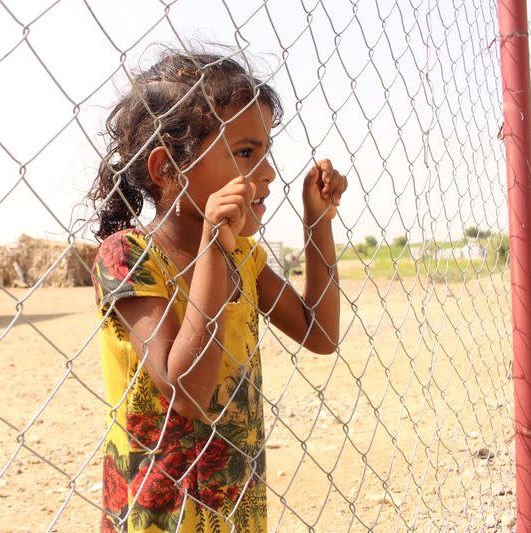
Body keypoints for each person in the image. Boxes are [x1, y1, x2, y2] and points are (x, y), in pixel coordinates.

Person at [88, 50, 347, 533]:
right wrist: (211, 250)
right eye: (246, 153)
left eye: (265, 152)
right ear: (169, 169)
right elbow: (188, 392)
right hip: (157, 515)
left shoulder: (243, 258)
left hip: (234, 506)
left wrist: (317, 225)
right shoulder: (127, 256)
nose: (267, 173)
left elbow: (320, 333)